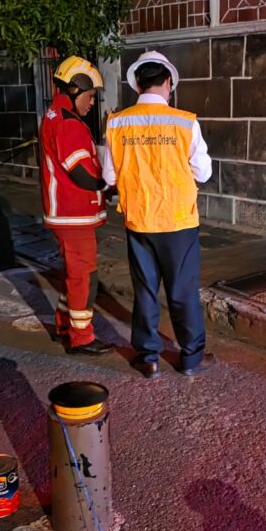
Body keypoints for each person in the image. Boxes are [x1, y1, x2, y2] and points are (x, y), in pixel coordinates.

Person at [102, 49, 214, 379]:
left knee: (145, 290)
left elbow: (110, 177)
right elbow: (203, 173)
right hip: (178, 222)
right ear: (167, 82)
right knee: (181, 292)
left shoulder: (117, 123)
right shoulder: (185, 122)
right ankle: (191, 358)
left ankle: (148, 357)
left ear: (137, 85)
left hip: (139, 221)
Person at [39, 55, 112, 357]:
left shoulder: (56, 114)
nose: (92, 102)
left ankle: (62, 325)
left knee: (74, 273)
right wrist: (105, 183)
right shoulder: (69, 123)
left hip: (64, 212)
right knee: (84, 276)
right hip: (73, 214)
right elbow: (79, 171)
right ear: (75, 88)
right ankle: (81, 337)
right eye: (91, 95)